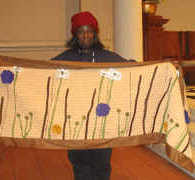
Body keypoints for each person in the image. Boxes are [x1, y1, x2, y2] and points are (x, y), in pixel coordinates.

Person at [51, 11, 135, 180]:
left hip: (102, 121)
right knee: (79, 164)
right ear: (75, 35)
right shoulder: (66, 57)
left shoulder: (107, 57)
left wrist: (161, 66)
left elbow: (131, 67)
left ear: (95, 34)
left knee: (102, 163)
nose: (86, 36)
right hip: (75, 120)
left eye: (90, 31)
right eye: (81, 31)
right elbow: (43, 71)